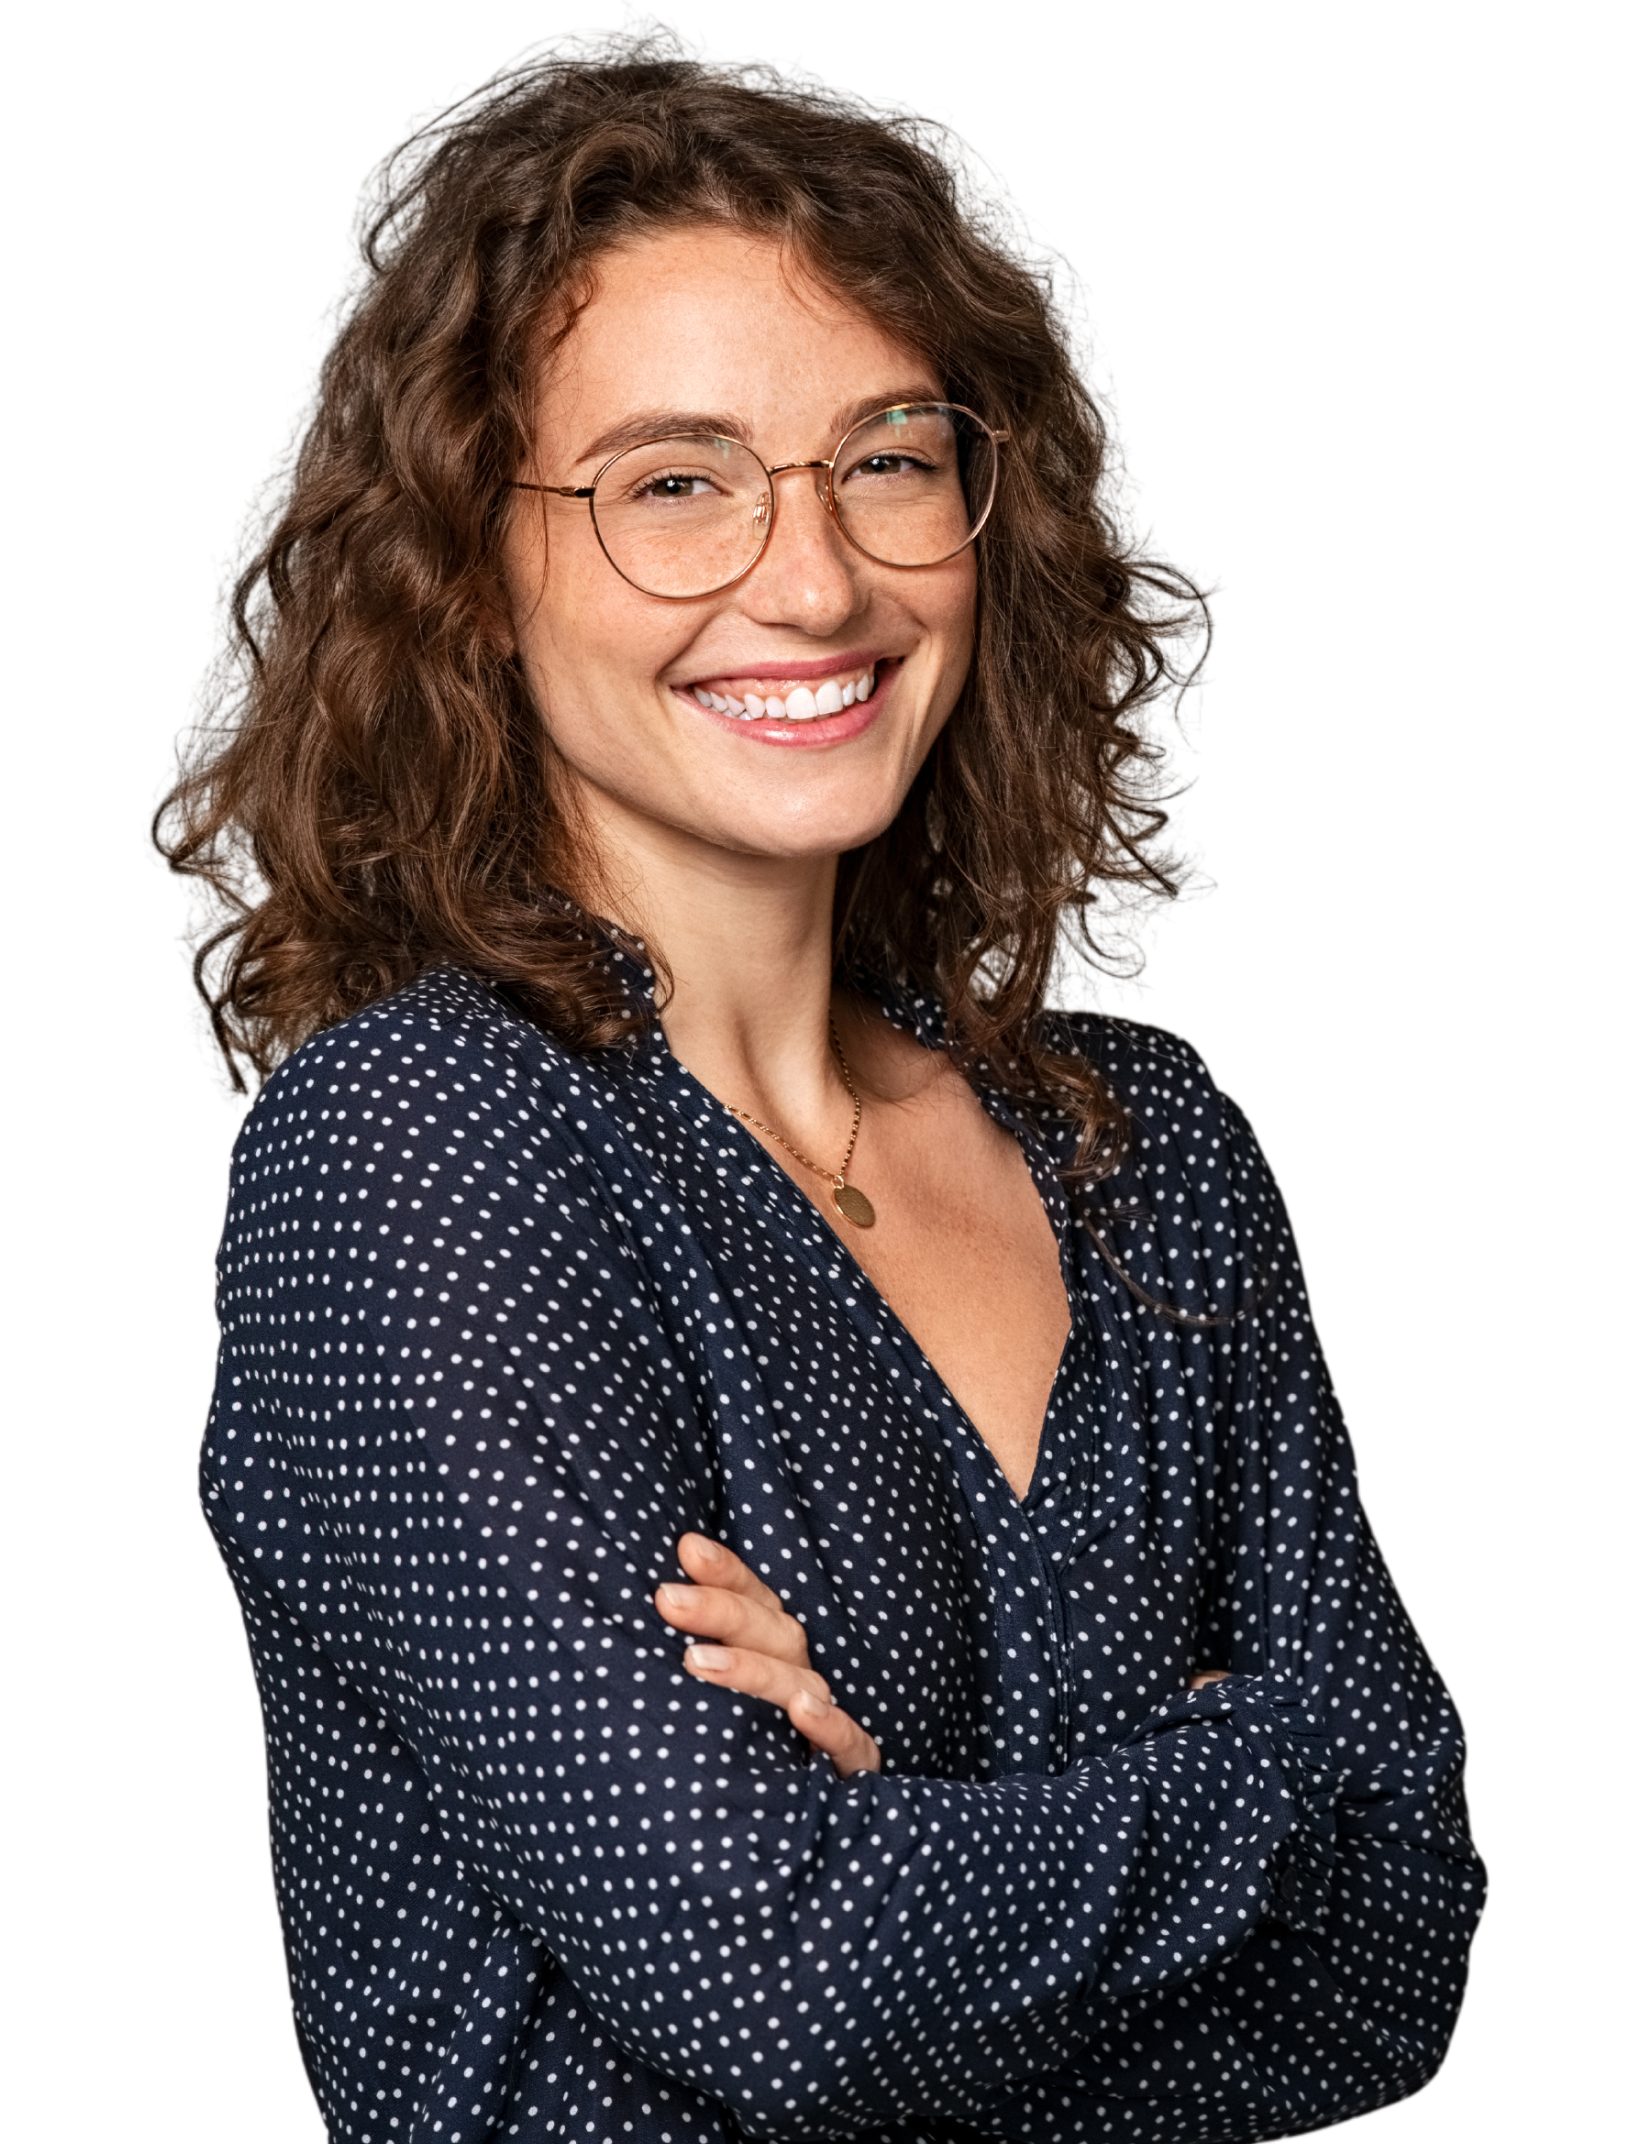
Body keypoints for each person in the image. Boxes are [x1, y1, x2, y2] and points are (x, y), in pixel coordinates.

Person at [151, 24, 1484, 2143]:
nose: (816, 579)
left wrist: (921, 1833)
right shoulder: (419, 1156)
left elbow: (1402, 1948)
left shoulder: (1144, 1153)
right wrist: (1261, 1764)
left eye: (885, 454)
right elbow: (784, 1991)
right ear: (474, 580)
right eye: (673, 482)